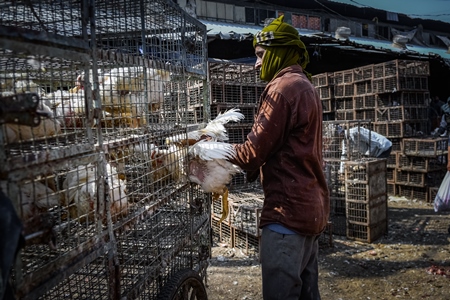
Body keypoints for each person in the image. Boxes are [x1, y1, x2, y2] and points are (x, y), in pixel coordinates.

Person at [229, 15, 329, 300]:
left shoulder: (283, 89)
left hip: (286, 219)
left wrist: (212, 150)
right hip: (310, 211)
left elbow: (251, 154)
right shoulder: (305, 85)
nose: (257, 63)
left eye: (261, 55)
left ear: (280, 52)